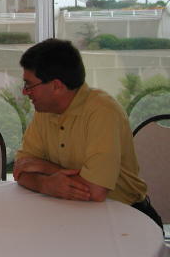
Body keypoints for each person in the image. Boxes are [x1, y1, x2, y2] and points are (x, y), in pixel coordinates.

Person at [13, 38, 163, 229]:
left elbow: (95, 191)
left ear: (57, 86)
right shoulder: (45, 111)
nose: (26, 92)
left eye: (29, 85)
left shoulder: (103, 111)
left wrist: (45, 169)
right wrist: (45, 185)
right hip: (70, 215)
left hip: (126, 218)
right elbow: (21, 170)